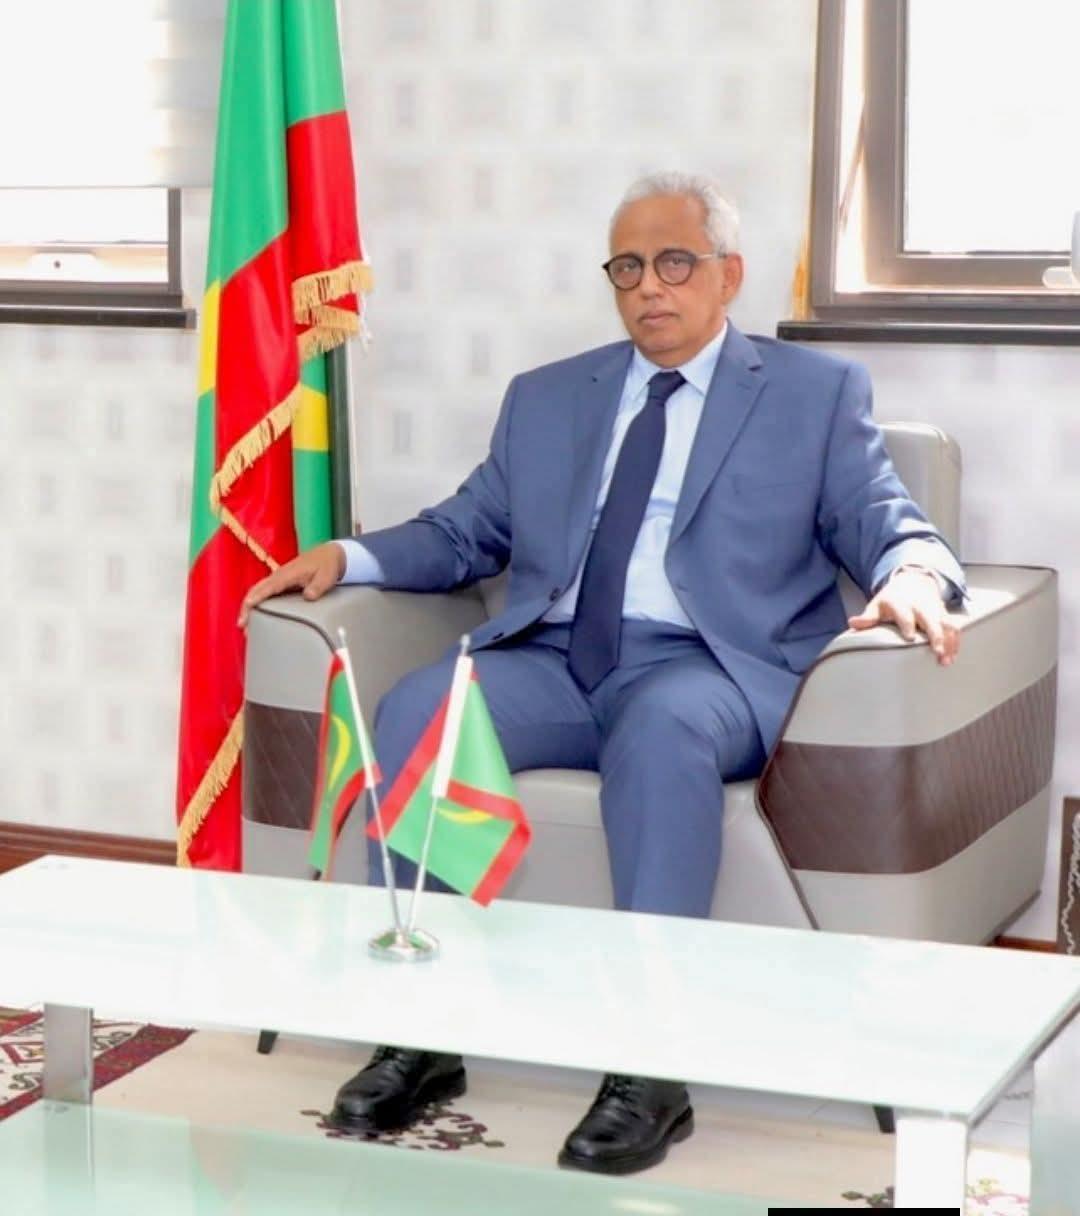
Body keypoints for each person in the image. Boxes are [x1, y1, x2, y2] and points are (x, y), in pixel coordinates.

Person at [239, 171, 964, 1175]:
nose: (649, 286)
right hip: (558, 658)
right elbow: (468, 531)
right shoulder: (548, 398)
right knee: (423, 708)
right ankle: (417, 1032)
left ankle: (649, 1067)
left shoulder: (813, 395)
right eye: (627, 267)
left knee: (661, 734)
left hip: (707, 668)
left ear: (728, 276)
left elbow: (885, 520)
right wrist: (349, 557)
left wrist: (916, 576)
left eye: (675, 262)